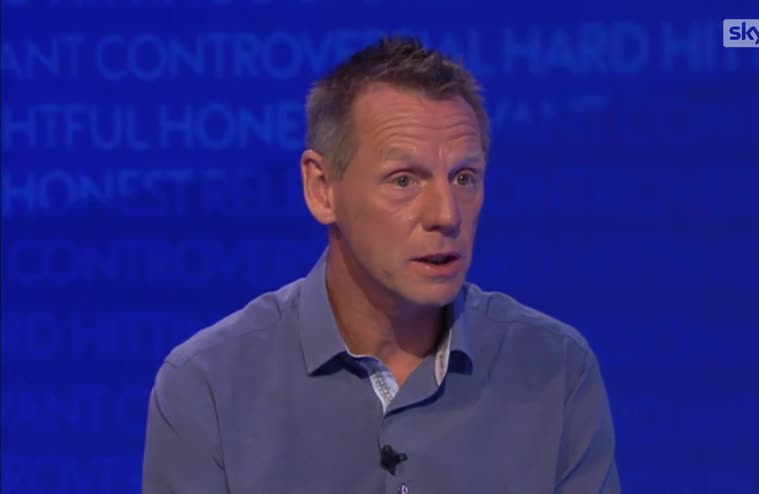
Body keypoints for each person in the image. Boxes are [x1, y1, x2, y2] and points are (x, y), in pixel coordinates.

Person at [142, 36, 620, 494]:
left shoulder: (556, 369)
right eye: (404, 180)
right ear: (321, 189)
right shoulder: (207, 387)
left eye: (464, 178)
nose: (446, 215)